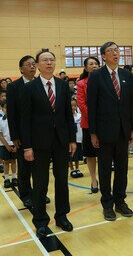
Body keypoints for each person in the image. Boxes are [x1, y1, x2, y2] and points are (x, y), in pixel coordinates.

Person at [21, 50, 76, 238]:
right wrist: (27, 146)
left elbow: (69, 115)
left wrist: (72, 139)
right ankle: (41, 221)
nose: (49, 63)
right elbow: (25, 120)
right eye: (45, 60)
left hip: (61, 141)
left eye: (52, 60)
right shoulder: (29, 88)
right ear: (37, 65)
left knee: (62, 181)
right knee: (40, 183)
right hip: (38, 143)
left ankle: (62, 216)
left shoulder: (62, 85)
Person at [87, 42, 133, 221]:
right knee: (105, 170)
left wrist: (132, 128)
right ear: (103, 56)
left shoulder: (125, 74)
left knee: (122, 169)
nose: (115, 53)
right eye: (110, 51)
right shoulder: (96, 76)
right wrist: (93, 132)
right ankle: (107, 204)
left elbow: (131, 103)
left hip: (123, 131)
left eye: (117, 50)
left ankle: (120, 201)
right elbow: (91, 106)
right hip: (103, 131)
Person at [6, 55, 42, 207]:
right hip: (22, 134)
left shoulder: (41, 83)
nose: (32, 67)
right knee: (25, 167)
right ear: (21, 69)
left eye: (34, 64)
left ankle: (39, 194)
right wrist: (14, 136)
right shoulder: (14, 87)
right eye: (28, 65)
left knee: (40, 167)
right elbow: (12, 113)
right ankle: (26, 194)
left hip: (41, 133)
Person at [76, 57, 100, 193]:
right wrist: (94, 117)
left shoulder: (104, 81)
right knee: (91, 154)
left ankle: (104, 178)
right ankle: (93, 180)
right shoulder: (81, 84)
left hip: (104, 124)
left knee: (104, 154)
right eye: (91, 64)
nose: (94, 66)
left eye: (96, 63)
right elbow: (82, 104)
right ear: (86, 68)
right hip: (88, 124)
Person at [0, 102, 17, 188]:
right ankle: (6, 179)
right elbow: (0, 135)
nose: (7, 109)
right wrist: (6, 145)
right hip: (4, 144)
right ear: (2, 109)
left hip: (14, 143)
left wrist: (16, 145)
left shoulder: (15, 119)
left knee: (14, 161)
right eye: (5, 108)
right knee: (6, 162)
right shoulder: (0, 120)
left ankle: (14, 177)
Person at [69, 99, 84, 178]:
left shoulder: (79, 116)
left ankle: (77, 168)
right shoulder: (67, 117)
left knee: (77, 155)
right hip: (70, 140)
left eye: (74, 105)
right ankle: (72, 169)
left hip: (78, 138)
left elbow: (81, 127)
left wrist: (82, 138)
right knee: (70, 156)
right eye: (71, 106)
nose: (73, 107)